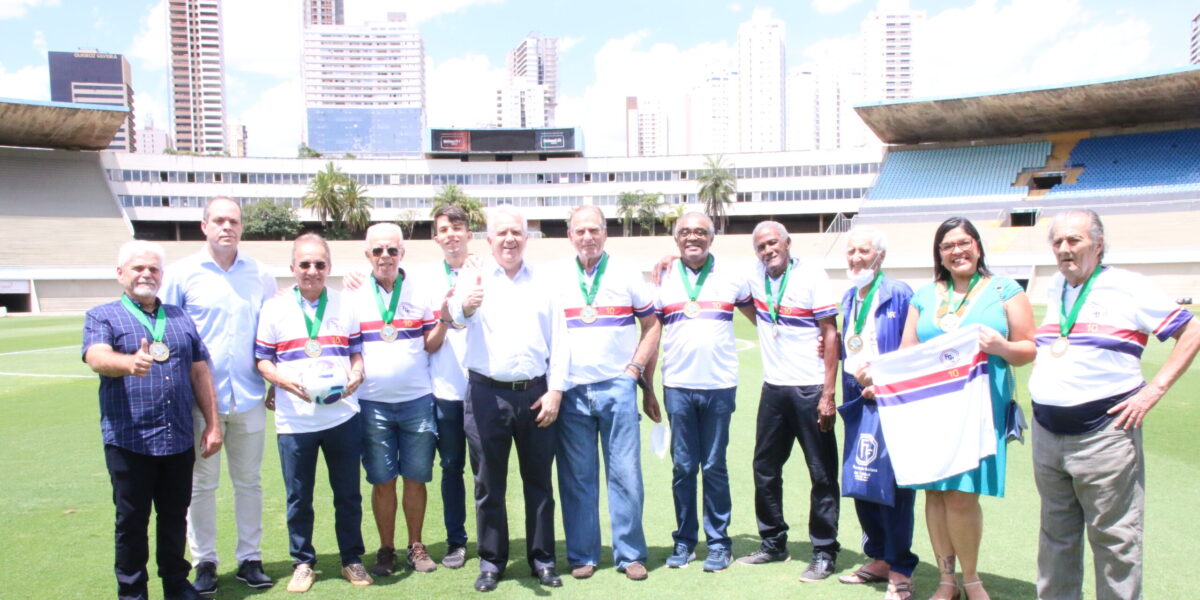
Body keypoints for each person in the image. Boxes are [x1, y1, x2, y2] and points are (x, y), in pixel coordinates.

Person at [1028, 210, 1197, 600]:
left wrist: (1153, 390)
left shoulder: (1127, 286)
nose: (1064, 249)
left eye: (1074, 240)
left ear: (1098, 245)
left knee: (1115, 539)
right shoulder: (1056, 286)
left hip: (1104, 436)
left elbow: (1192, 329)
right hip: (1048, 433)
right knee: (1055, 537)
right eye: (1057, 243)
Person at [890, 217, 1036, 600]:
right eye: (948, 245)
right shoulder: (925, 294)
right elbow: (908, 351)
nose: (958, 251)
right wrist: (880, 378)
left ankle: (971, 580)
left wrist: (1002, 347)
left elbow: (1028, 349)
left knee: (961, 493)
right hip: (931, 408)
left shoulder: (1005, 290)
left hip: (979, 407)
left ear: (978, 246)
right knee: (935, 492)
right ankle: (946, 581)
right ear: (939, 254)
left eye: (964, 242)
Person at [83, 240, 223, 600]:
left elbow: (199, 371)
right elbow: (96, 356)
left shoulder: (178, 316)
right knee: (131, 521)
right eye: (137, 268)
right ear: (120, 274)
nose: (146, 274)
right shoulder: (103, 315)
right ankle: (132, 592)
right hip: (130, 439)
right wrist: (128, 363)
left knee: (175, 515)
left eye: (153, 269)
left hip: (177, 437)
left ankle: (176, 583)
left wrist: (212, 423)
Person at [448, 206, 569, 592]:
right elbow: (453, 316)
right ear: (489, 240)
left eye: (516, 232)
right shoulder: (473, 276)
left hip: (535, 395)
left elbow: (560, 340)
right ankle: (491, 561)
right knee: (488, 485)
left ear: (526, 237)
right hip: (486, 394)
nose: (509, 239)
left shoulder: (544, 282)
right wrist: (466, 306)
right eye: (501, 233)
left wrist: (556, 390)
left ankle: (542, 559)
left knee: (538, 482)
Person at [159, 197, 276, 594]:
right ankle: (205, 560)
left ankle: (250, 558)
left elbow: (272, 333)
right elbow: (168, 334)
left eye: (234, 221)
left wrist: (275, 381)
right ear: (204, 226)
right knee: (201, 486)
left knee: (249, 482)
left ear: (242, 227)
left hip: (249, 397)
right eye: (219, 220)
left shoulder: (260, 274)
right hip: (198, 403)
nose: (227, 227)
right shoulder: (181, 274)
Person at [254, 233, 370, 593]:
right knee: (298, 497)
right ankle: (303, 562)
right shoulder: (274, 308)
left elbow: (355, 352)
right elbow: (262, 361)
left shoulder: (345, 304)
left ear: (329, 268)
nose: (312, 270)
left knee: (348, 494)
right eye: (304, 264)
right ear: (293, 268)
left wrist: (357, 372)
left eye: (319, 264)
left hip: (342, 417)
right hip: (295, 421)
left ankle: (351, 558)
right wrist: (287, 385)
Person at [555, 205, 662, 581]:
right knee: (577, 477)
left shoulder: (626, 272)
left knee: (625, 475)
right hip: (571, 392)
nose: (587, 237)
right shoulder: (556, 277)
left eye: (594, 230)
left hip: (617, 389)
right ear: (570, 235)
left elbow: (651, 325)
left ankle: (630, 553)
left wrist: (633, 371)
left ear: (605, 232)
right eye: (580, 231)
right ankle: (584, 553)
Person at [737, 221, 842, 583]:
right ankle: (772, 542)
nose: (768, 250)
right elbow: (711, 268)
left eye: (773, 243)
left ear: (787, 243)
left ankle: (824, 550)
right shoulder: (753, 274)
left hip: (811, 389)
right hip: (774, 389)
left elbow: (830, 332)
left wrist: (828, 394)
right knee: (765, 468)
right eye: (761, 246)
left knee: (822, 473)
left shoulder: (812, 274)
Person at [655, 211, 754, 573]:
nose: (692, 237)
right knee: (683, 467)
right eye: (685, 232)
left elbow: (761, 318)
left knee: (714, 466)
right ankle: (684, 541)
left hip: (719, 386)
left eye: (700, 231)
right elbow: (652, 330)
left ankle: (718, 543)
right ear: (676, 238)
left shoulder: (732, 275)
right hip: (678, 387)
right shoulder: (662, 276)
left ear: (711, 237)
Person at [349, 223, 444, 577]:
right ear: (367, 255)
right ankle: (386, 547)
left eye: (392, 250)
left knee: (416, 477)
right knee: (382, 479)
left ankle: (416, 545)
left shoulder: (420, 290)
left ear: (402, 253)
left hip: (418, 400)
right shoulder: (354, 296)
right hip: (371, 404)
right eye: (378, 251)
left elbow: (431, 342)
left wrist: (447, 319)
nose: (385, 257)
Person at [835, 226, 919, 600]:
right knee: (863, 478)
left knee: (895, 487)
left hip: (889, 399)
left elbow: (911, 350)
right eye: (851, 251)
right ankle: (879, 557)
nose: (855, 258)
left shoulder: (899, 294)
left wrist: (883, 378)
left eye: (863, 251)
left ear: (880, 256)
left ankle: (900, 566)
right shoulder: (850, 296)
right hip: (857, 399)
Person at [423, 205, 474, 569]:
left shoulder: (488, 273)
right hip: (445, 393)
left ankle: (492, 540)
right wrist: (444, 317)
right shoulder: (424, 279)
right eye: (444, 229)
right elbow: (427, 343)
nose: (451, 234)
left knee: (488, 471)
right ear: (436, 237)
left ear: (469, 234)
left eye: (458, 227)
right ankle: (456, 541)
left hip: (484, 390)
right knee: (452, 468)